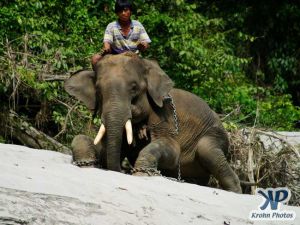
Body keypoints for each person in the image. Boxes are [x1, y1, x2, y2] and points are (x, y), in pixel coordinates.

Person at [91, 0, 151, 66]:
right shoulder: (111, 26)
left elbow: (146, 42)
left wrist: (143, 45)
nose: (123, 13)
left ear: (130, 11)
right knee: (95, 59)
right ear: (117, 13)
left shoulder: (138, 25)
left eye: (125, 10)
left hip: (134, 56)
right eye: (120, 11)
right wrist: (106, 48)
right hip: (115, 56)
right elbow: (107, 42)